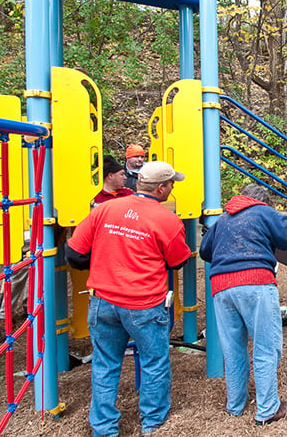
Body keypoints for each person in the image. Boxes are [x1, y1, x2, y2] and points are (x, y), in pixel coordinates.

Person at [66, 161, 190, 436]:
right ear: (161, 188)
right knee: (154, 361)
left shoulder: (105, 209)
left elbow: (73, 253)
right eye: (171, 184)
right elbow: (178, 260)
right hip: (143, 303)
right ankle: (152, 422)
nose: (172, 188)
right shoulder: (167, 220)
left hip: (102, 300)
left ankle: (104, 427)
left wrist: (105, 260)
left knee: (105, 364)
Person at [199, 183, 287, 426]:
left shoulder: (223, 220)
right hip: (255, 281)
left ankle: (235, 404)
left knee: (233, 348)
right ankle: (267, 409)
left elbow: (206, 252)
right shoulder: (263, 211)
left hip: (222, 286)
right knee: (267, 346)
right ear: (261, 201)